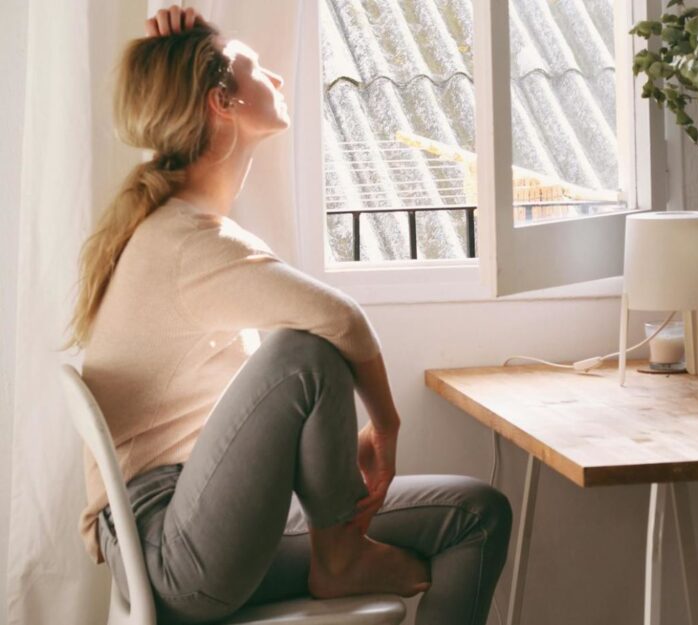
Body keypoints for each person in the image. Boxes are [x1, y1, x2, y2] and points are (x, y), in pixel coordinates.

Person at [62, 6, 512, 624]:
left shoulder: (183, 231)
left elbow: (251, 418)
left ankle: (340, 550)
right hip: (174, 552)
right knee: (305, 349)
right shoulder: (186, 242)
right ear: (223, 102)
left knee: (476, 515)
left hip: (193, 527)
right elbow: (343, 321)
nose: (274, 77)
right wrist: (386, 427)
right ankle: (341, 554)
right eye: (256, 68)